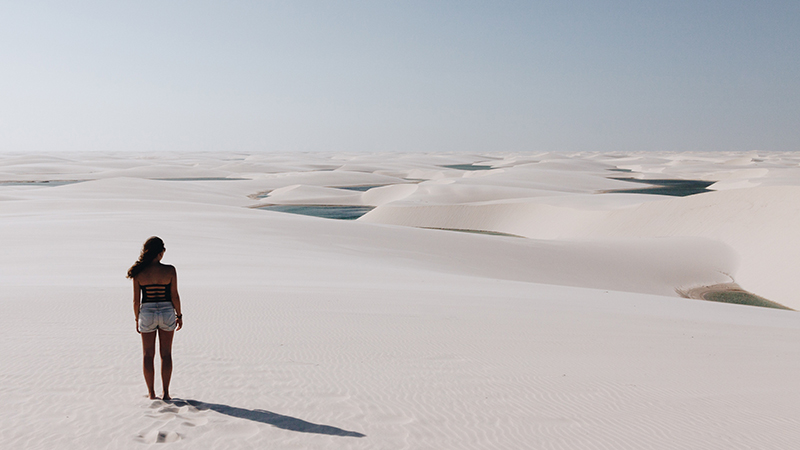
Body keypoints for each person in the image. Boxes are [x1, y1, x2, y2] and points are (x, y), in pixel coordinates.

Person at [127, 236, 183, 400]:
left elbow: (136, 300)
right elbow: (174, 295)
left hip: (147, 311)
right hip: (166, 310)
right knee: (166, 354)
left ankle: (151, 393)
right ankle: (166, 393)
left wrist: (137, 319)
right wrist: (179, 315)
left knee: (147, 355)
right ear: (160, 252)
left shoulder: (139, 272)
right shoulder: (170, 270)